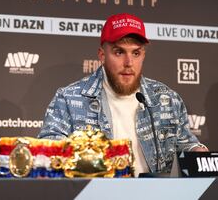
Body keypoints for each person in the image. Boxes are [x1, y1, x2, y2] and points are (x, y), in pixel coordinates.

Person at [38, 13, 208, 176]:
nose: (129, 63)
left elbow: (186, 145)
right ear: (102, 55)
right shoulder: (69, 99)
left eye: (136, 53)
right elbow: (48, 154)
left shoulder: (167, 99)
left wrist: (196, 151)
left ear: (143, 55)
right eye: (119, 52)